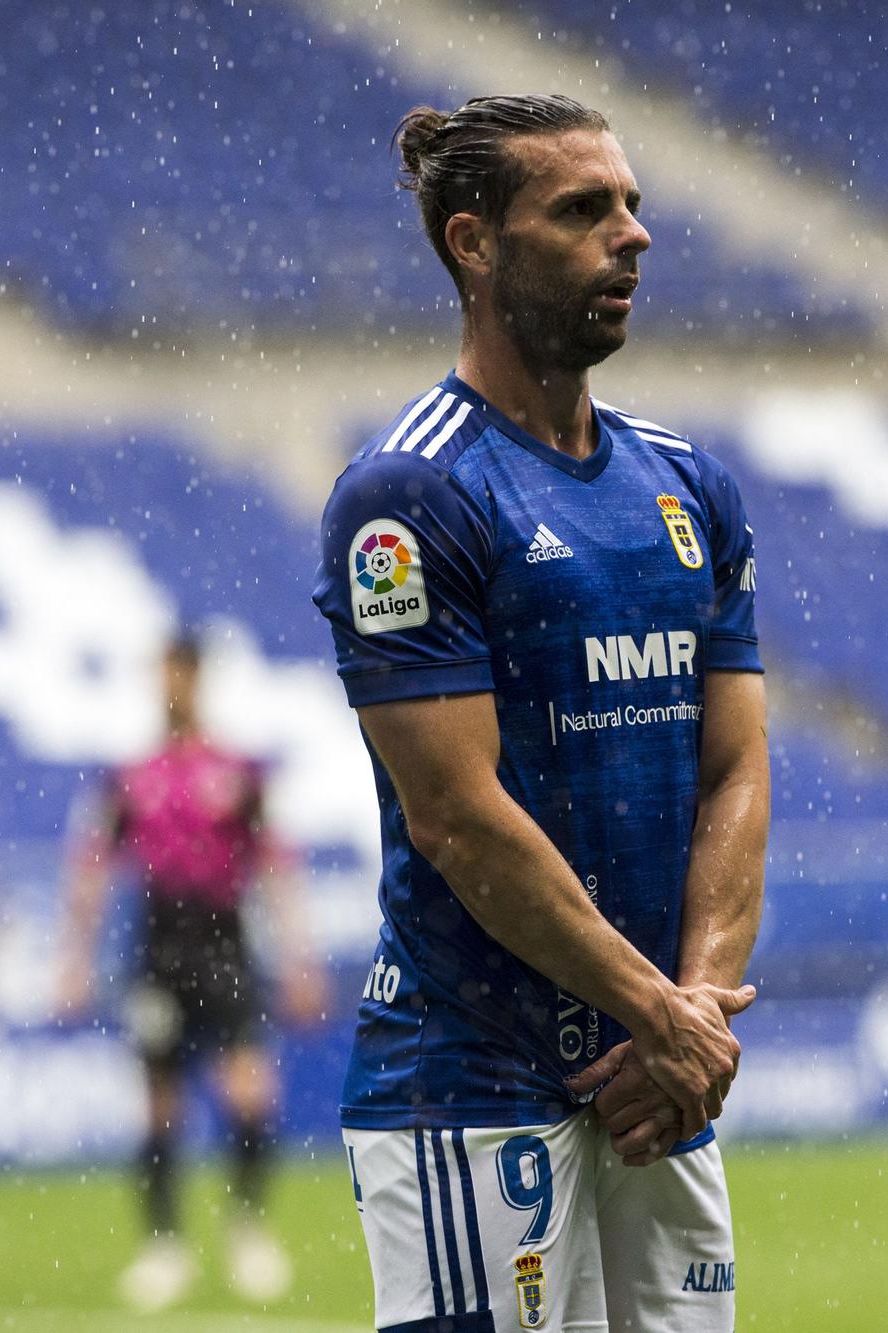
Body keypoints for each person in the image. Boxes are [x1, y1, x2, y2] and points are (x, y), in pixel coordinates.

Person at [312, 95, 769, 1330]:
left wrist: (695, 1019)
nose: (632, 236)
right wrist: (659, 1018)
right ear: (474, 243)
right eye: (583, 211)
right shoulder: (409, 495)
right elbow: (458, 818)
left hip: (655, 1083)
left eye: (631, 206)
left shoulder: (687, 484)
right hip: (477, 1083)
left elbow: (733, 769)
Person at [56, 632, 322, 1310]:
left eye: (180, 673)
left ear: (198, 679)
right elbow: (90, 867)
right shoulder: (130, 776)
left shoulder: (236, 772)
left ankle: (248, 1230)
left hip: (225, 943)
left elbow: (275, 865)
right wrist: (75, 960)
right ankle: (165, 1245)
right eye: (163, 674)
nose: (170, 685)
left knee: (250, 1095)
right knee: (161, 1106)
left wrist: (299, 959)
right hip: (159, 947)